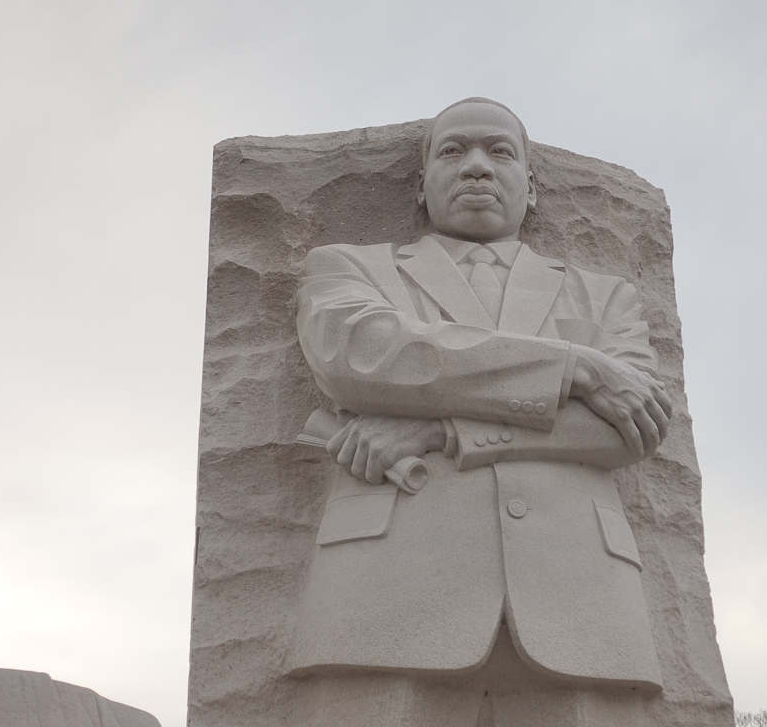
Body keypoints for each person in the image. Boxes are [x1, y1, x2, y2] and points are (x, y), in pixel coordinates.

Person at [288, 98, 674, 727]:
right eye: (452, 150)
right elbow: (362, 355)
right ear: (420, 185)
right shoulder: (351, 267)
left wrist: (442, 430)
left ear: (532, 185)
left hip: (580, 598)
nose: (476, 167)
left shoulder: (605, 297)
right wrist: (576, 367)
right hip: (384, 597)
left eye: (499, 152)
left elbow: (632, 426)